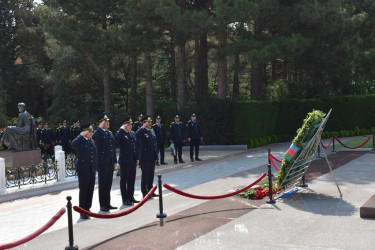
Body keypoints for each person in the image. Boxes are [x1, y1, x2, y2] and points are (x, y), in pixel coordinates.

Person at [71, 123, 97, 219]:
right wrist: (80, 135)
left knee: (90, 189)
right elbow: (72, 144)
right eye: (89, 131)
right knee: (84, 190)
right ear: (85, 132)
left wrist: (95, 168)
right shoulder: (80, 141)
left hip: (91, 169)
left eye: (91, 131)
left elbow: (94, 155)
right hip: (83, 169)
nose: (91, 133)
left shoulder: (92, 141)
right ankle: (82, 210)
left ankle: (88, 208)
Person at [92, 112, 118, 211]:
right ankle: (102, 204)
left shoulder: (109, 133)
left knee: (108, 183)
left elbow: (113, 148)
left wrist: (115, 160)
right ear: (101, 123)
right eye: (106, 122)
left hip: (110, 161)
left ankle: (108, 203)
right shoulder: (98, 133)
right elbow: (94, 140)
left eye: (108, 121)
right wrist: (100, 127)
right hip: (102, 162)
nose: (108, 123)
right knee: (102, 184)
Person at [115, 116, 139, 206]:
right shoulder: (120, 133)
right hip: (124, 161)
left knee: (131, 180)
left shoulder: (132, 133)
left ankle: (131, 196)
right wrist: (122, 129)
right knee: (124, 180)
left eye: (131, 124)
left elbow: (135, 146)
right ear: (124, 125)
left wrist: (137, 158)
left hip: (132, 160)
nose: (130, 126)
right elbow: (116, 139)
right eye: (128, 124)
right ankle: (125, 199)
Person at [136, 114, 158, 199]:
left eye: (150, 122)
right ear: (144, 123)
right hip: (144, 157)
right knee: (145, 175)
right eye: (148, 122)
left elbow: (154, 145)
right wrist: (142, 127)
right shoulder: (141, 131)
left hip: (152, 157)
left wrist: (156, 156)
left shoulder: (151, 131)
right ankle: (144, 192)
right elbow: (136, 135)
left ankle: (150, 191)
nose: (150, 124)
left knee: (151, 175)